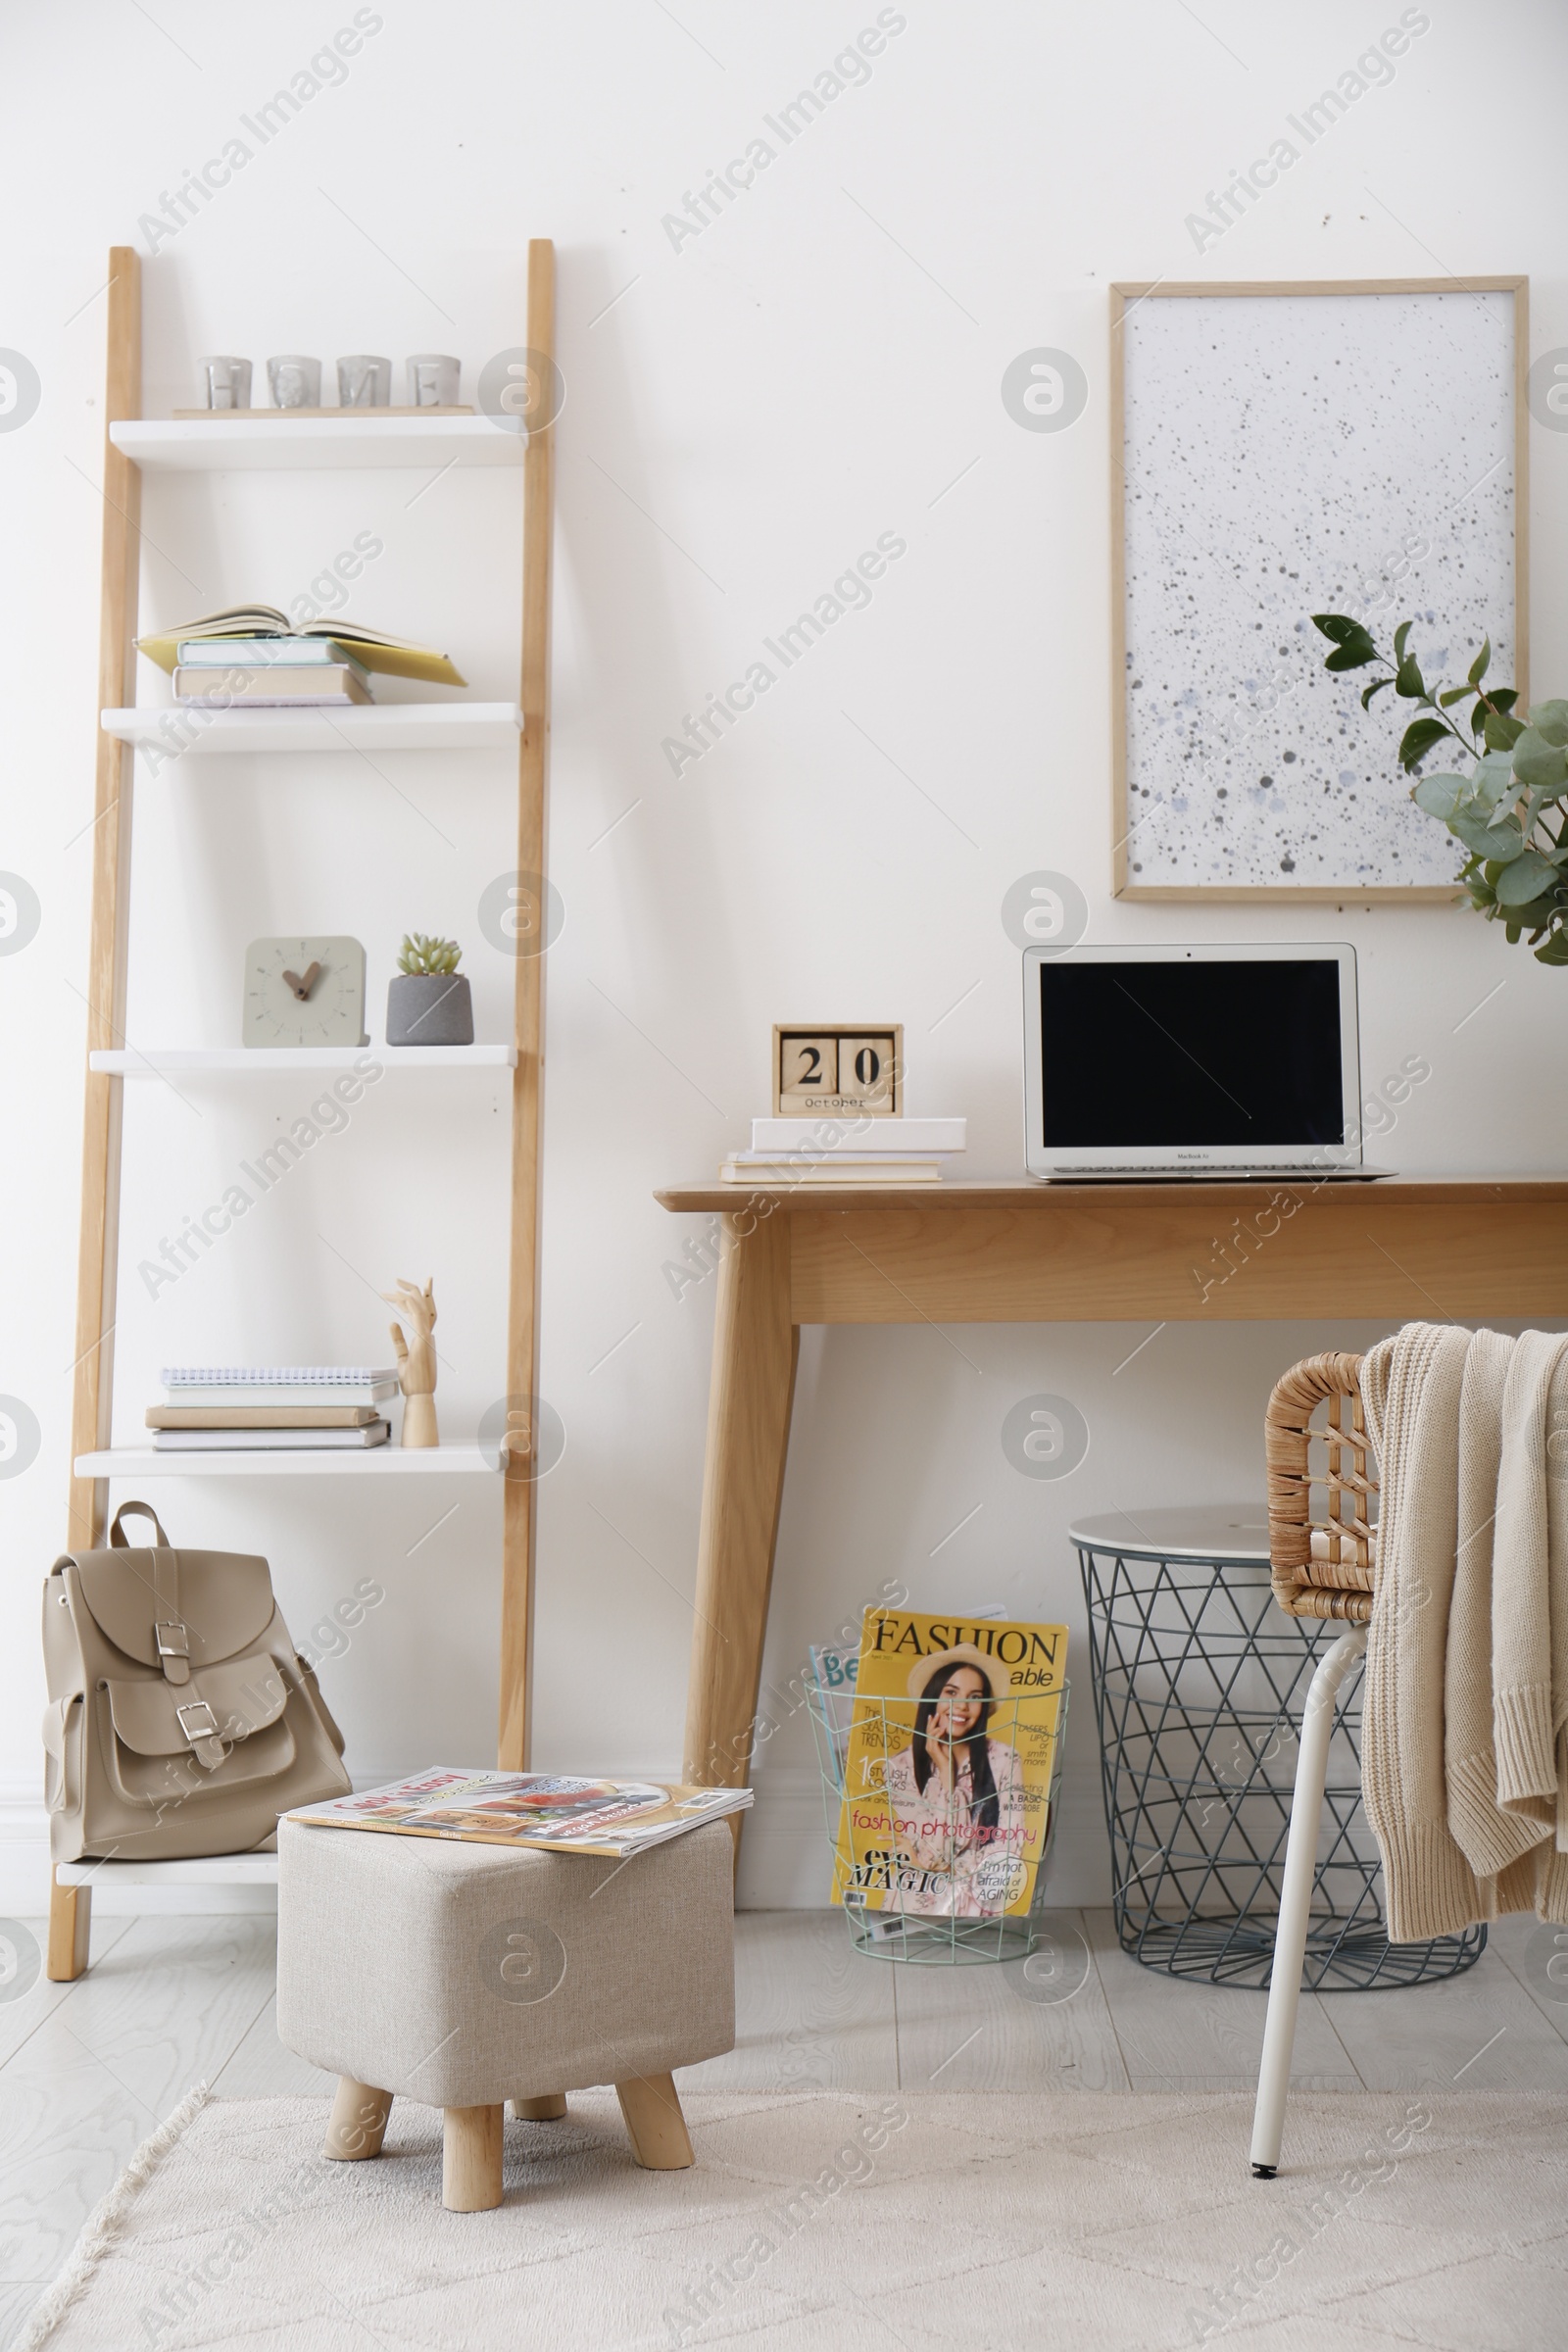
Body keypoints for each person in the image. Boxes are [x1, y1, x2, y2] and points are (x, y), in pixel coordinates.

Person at [877, 1644, 1025, 1916]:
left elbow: (1011, 1846)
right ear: (933, 1697)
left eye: (975, 1697)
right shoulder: (899, 1767)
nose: (963, 1706)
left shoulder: (1004, 1759)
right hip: (912, 1909)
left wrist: (933, 1863)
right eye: (951, 1693)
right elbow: (937, 1855)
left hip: (975, 1910)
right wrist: (946, 1774)